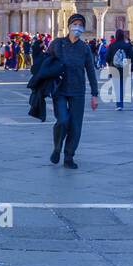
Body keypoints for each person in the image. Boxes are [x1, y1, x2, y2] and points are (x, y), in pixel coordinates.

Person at [48, 14, 99, 169]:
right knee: (63, 120)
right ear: (69, 25)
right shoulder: (57, 44)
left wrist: (94, 94)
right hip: (60, 90)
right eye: (75, 24)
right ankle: (57, 147)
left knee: (76, 125)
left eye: (80, 25)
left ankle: (69, 155)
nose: (77, 27)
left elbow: (90, 71)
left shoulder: (84, 48)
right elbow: (46, 62)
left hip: (78, 91)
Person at [106, 28, 133, 111]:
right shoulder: (127, 45)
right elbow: (132, 57)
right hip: (125, 68)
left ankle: (119, 104)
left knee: (117, 87)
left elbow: (107, 57)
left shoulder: (112, 45)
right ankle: (121, 103)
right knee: (123, 86)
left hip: (114, 68)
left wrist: (110, 63)